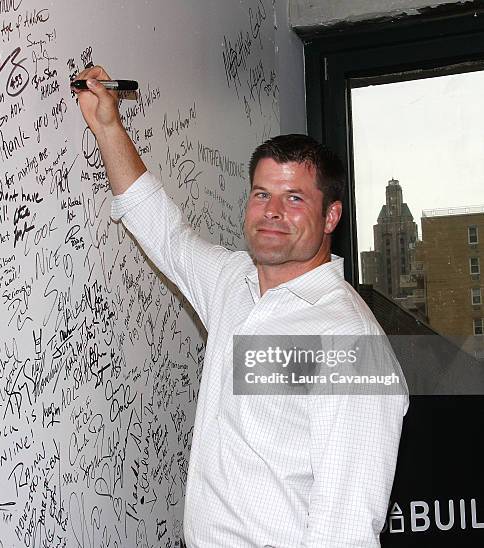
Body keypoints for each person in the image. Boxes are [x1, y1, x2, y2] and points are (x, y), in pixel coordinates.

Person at [74, 66, 409, 548]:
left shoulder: (350, 346)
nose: (272, 211)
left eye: (294, 198)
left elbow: (346, 530)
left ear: (331, 214)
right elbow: (162, 229)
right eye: (262, 194)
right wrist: (108, 126)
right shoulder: (235, 284)